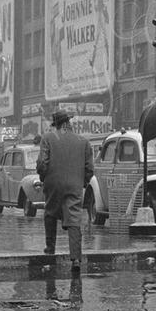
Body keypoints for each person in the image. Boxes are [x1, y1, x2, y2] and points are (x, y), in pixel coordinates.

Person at [36, 109, 94, 275]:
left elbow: (42, 163)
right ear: (68, 123)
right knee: (74, 219)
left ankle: (50, 248)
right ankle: (75, 258)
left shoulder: (48, 138)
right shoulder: (83, 141)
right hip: (75, 184)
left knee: (50, 212)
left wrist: (43, 176)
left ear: (56, 124)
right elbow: (89, 168)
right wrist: (82, 182)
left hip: (53, 182)